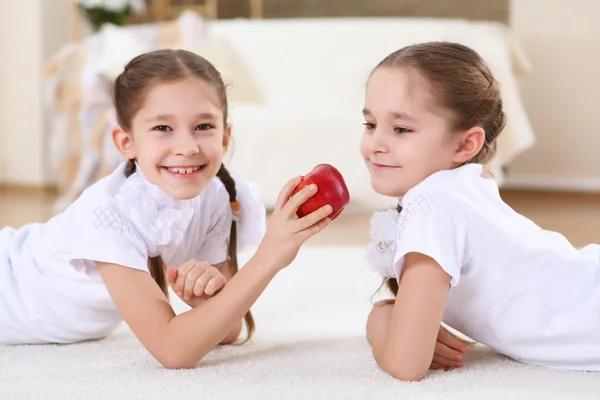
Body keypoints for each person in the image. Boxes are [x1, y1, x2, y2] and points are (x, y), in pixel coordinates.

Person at [0, 49, 333, 369]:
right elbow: (173, 351)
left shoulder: (216, 196)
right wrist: (268, 257)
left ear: (225, 136)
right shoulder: (107, 215)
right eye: (162, 128)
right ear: (126, 142)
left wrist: (207, 300)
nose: (187, 147)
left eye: (203, 126)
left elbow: (227, 330)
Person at [361, 42, 600, 381]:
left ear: (464, 145)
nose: (376, 144)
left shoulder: (433, 203)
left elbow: (405, 363)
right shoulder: (459, 188)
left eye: (401, 129)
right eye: (370, 124)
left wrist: (380, 322)